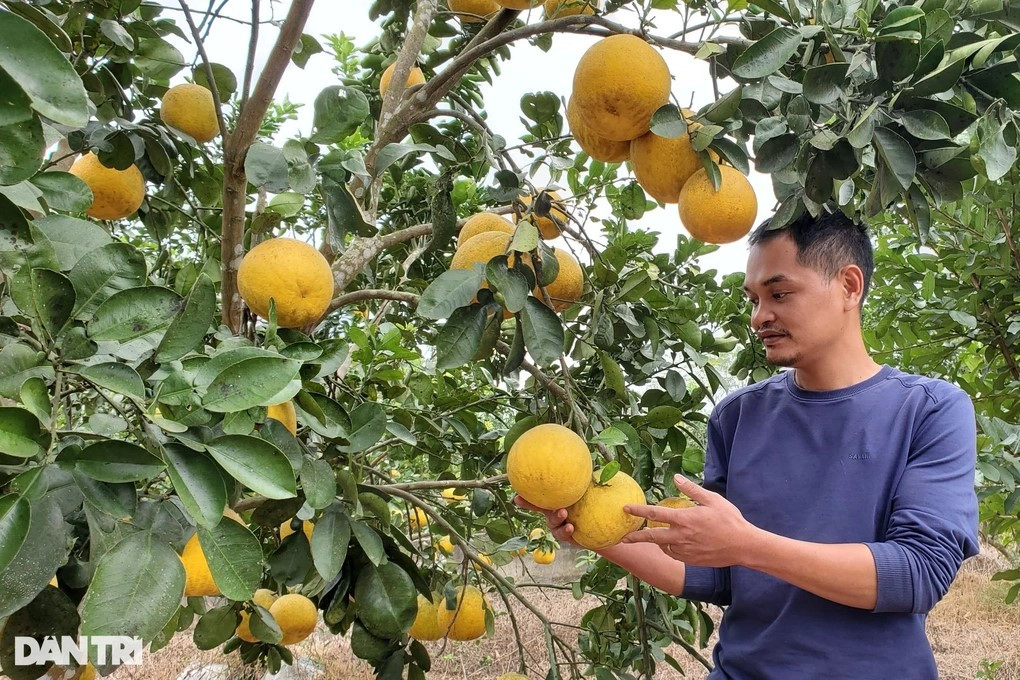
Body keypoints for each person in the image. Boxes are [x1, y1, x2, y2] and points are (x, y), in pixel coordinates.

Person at [515, 210, 979, 679]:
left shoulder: (928, 410)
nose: (760, 317)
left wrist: (747, 545)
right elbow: (720, 574)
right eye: (753, 299)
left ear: (849, 286)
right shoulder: (738, 416)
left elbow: (919, 573)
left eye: (779, 294)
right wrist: (590, 530)